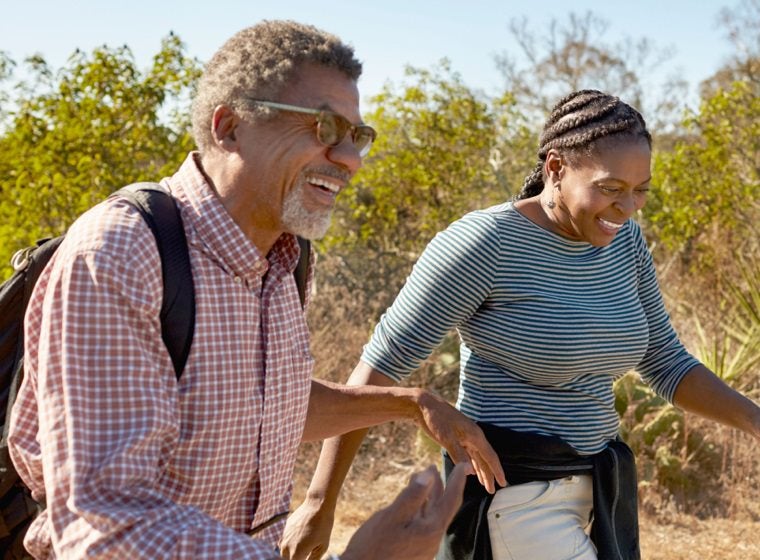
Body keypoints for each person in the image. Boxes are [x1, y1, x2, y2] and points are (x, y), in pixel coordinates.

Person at [7, 20, 506, 560]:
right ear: (229, 126)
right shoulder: (122, 252)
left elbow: (266, 404)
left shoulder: (286, 257)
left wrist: (411, 404)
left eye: (357, 137)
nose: (351, 160)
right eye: (324, 128)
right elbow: (106, 524)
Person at [281, 89, 760, 560]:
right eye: (611, 189)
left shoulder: (625, 241)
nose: (628, 207)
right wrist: (321, 502)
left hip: (600, 491)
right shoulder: (486, 243)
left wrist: (755, 421)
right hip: (512, 493)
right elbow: (381, 366)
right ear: (555, 168)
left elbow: (666, 363)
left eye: (641, 191)